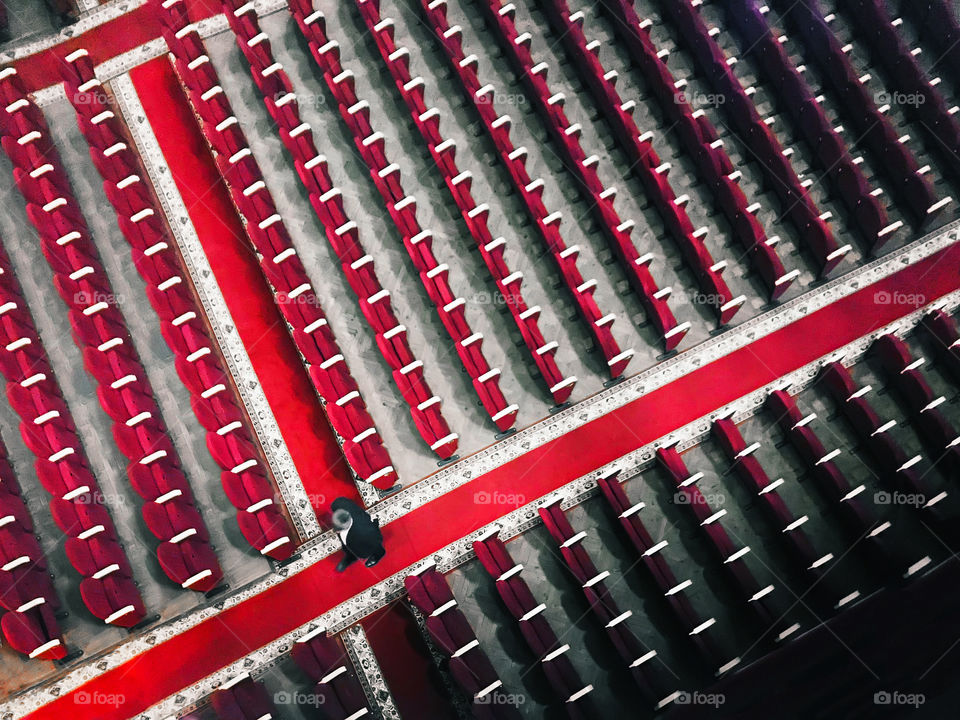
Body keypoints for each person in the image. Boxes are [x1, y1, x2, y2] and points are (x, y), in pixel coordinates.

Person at [330, 497, 385, 571]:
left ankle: (378, 554)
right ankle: (348, 557)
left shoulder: (361, 535)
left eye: (338, 529)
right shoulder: (340, 503)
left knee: (360, 551)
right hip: (358, 523)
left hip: (369, 538)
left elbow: (374, 536)